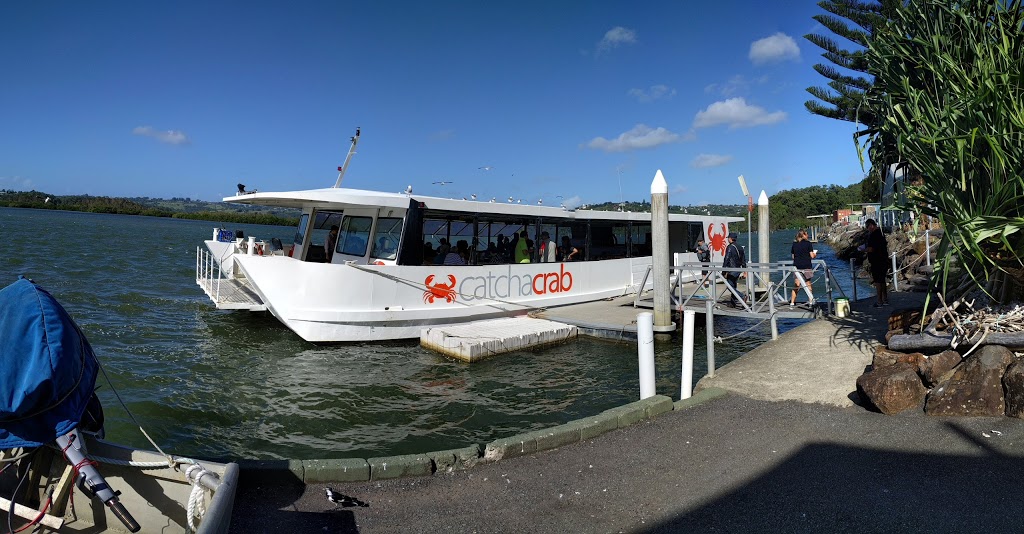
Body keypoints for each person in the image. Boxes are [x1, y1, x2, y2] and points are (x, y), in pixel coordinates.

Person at [864, 218, 889, 307]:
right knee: (882, 280)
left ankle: (879, 301)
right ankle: (885, 299)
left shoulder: (874, 235)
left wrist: (864, 249)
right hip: (884, 259)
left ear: (871, 225)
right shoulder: (881, 233)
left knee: (878, 281)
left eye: (867, 226)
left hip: (877, 261)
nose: (867, 229)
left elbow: (871, 248)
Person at [789, 230, 817, 307]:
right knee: (808, 284)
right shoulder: (808, 243)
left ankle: (792, 302)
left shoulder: (794, 244)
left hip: (797, 266)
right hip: (806, 265)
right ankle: (811, 301)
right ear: (803, 235)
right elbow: (811, 256)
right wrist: (815, 254)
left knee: (796, 284)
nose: (808, 236)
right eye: (807, 234)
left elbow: (793, 256)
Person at [722, 232, 746, 307]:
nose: (727, 239)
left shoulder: (730, 247)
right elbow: (743, 260)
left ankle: (742, 296)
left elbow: (727, 258)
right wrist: (745, 270)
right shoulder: (740, 247)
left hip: (732, 269)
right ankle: (732, 303)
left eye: (728, 238)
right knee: (733, 285)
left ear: (730, 238)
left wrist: (723, 271)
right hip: (738, 269)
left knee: (729, 286)